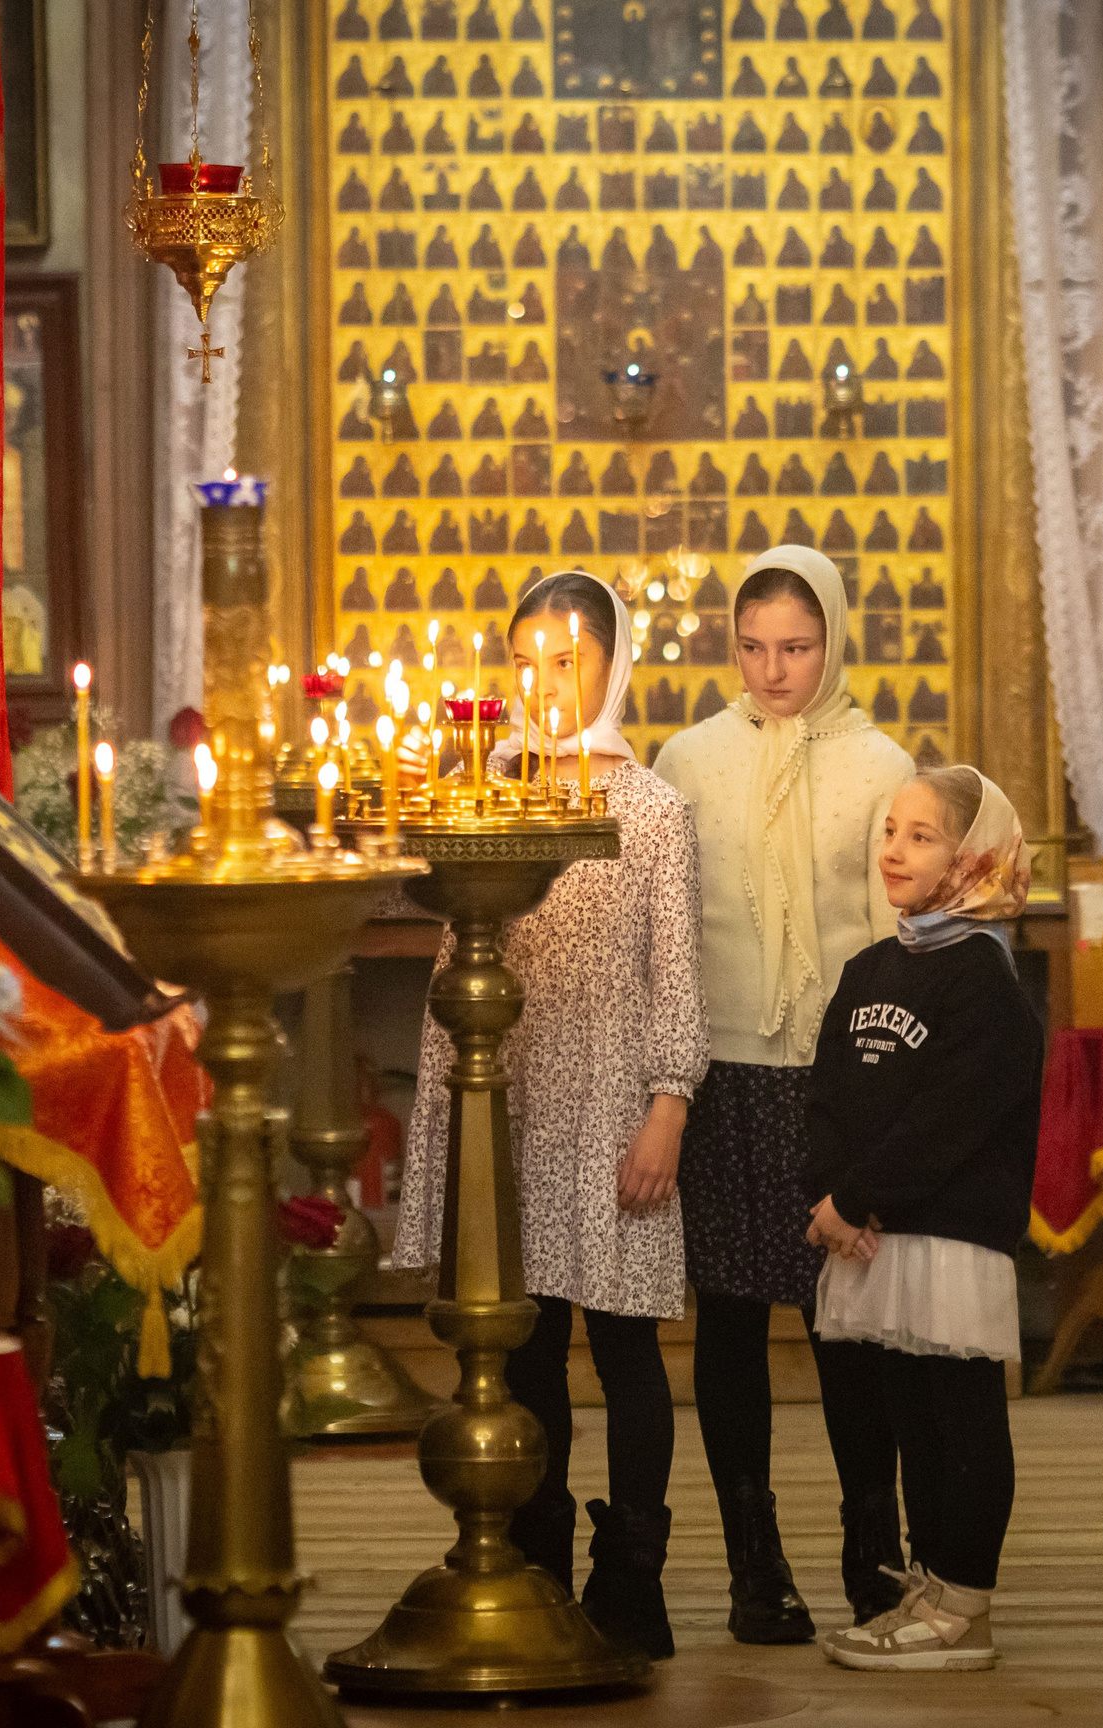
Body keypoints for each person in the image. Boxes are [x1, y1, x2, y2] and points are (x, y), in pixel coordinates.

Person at [386, 569, 706, 1657]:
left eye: (564, 661)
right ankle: (531, 1564)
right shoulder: (492, 788)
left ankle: (634, 1580)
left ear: (612, 665)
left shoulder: (654, 808)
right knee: (521, 1354)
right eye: (522, 662)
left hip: (615, 1101)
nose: (540, 684)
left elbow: (678, 974)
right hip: (511, 1095)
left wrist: (667, 1107)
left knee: (624, 1351)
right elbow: (450, 930)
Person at [652, 546, 915, 1643]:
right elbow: (667, 923)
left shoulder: (879, 763)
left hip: (836, 1078)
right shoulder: (689, 757)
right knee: (728, 1324)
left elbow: (898, 940)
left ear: (834, 641)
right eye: (753, 647)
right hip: (719, 1072)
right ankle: (754, 1565)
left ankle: (872, 1552)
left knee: (847, 1325)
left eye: (796, 648)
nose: (773, 670)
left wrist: (883, 1098)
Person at [804, 766, 1040, 1673]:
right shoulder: (871, 966)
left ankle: (966, 1603)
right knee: (906, 1417)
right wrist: (828, 1200)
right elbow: (826, 1095)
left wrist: (856, 1199)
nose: (893, 851)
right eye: (890, 831)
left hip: (946, 1234)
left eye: (921, 837)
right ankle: (929, 1587)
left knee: (960, 1417)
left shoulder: (984, 980)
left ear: (973, 858)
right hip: (872, 1234)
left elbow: (948, 1118)